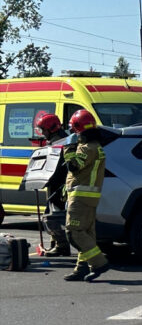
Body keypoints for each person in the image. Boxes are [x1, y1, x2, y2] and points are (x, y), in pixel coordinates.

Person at [62, 109, 110, 282]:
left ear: (77, 128)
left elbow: (74, 166)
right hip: (88, 197)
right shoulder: (96, 146)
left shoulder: (87, 148)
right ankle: (82, 268)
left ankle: (99, 262)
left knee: (74, 232)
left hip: (81, 197)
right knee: (86, 233)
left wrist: (68, 148)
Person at [34, 113, 70, 257]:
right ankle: (56, 243)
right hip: (54, 185)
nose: (42, 133)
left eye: (43, 130)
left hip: (59, 187)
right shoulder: (58, 141)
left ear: (52, 129)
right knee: (52, 215)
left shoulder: (61, 144)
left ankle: (61, 246)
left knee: (53, 217)